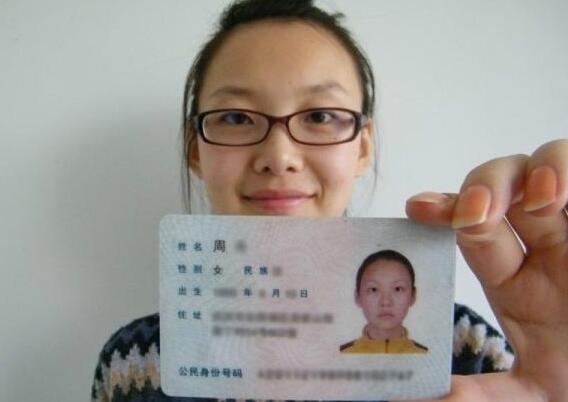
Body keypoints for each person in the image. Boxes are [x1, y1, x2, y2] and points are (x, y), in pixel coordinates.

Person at [91, 0, 568, 401]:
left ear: (362, 148)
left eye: (320, 115)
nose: (279, 158)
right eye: (236, 117)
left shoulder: (465, 351)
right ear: (196, 150)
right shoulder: (135, 364)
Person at [340, 249, 428, 354]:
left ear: (413, 296)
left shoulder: (428, 356)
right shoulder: (341, 355)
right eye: (374, 289)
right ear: (357, 297)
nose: (386, 302)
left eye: (397, 289)